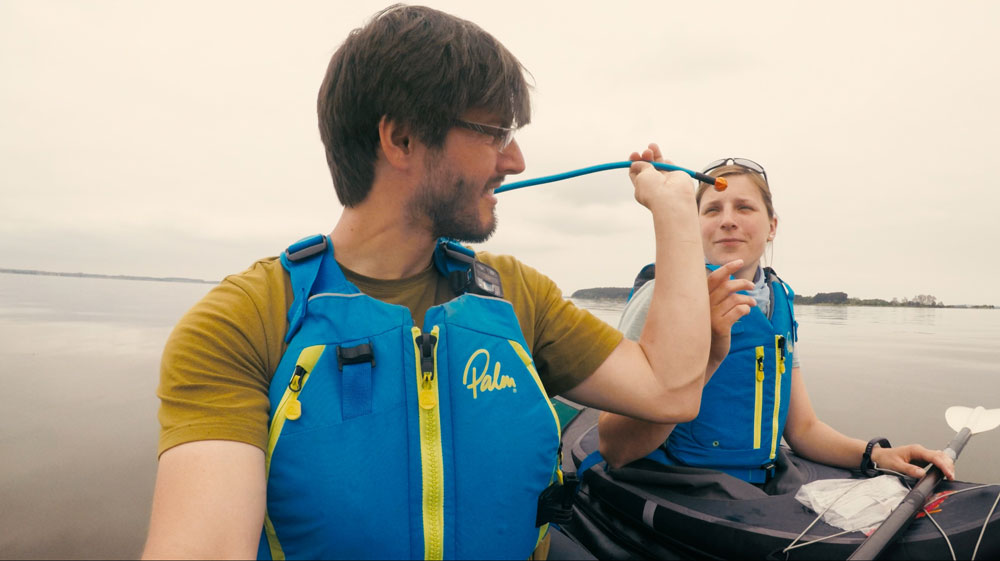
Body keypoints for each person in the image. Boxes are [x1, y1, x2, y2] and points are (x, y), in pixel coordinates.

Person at [141, 5, 744, 560]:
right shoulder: (242, 324)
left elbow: (668, 390)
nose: (516, 162)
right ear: (401, 139)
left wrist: (672, 212)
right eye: (495, 132)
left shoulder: (519, 296)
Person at [598, 157, 956, 486]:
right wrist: (696, 345)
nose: (727, 219)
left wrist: (875, 454)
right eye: (712, 209)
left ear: (771, 226)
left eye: (744, 207)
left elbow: (802, 429)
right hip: (677, 486)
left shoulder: (778, 301)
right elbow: (615, 448)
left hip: (753, 491)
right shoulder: (659, 298)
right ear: (693, 225)